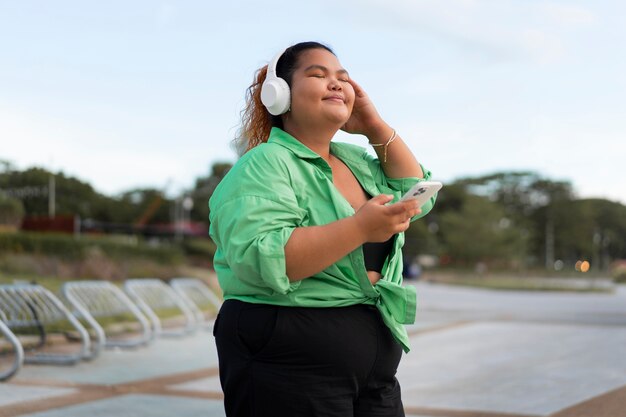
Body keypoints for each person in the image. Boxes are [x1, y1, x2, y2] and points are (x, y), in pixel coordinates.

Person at [209, 41, 437, 417]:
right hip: (288, 363)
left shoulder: (357, 162)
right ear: (278, 94)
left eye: (343, 79)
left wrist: (374, 125)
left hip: (371, 369)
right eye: (318, 75)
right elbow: (263, 257)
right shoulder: (265, 163)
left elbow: (417, 194)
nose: (336, 84)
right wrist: (359, 228)